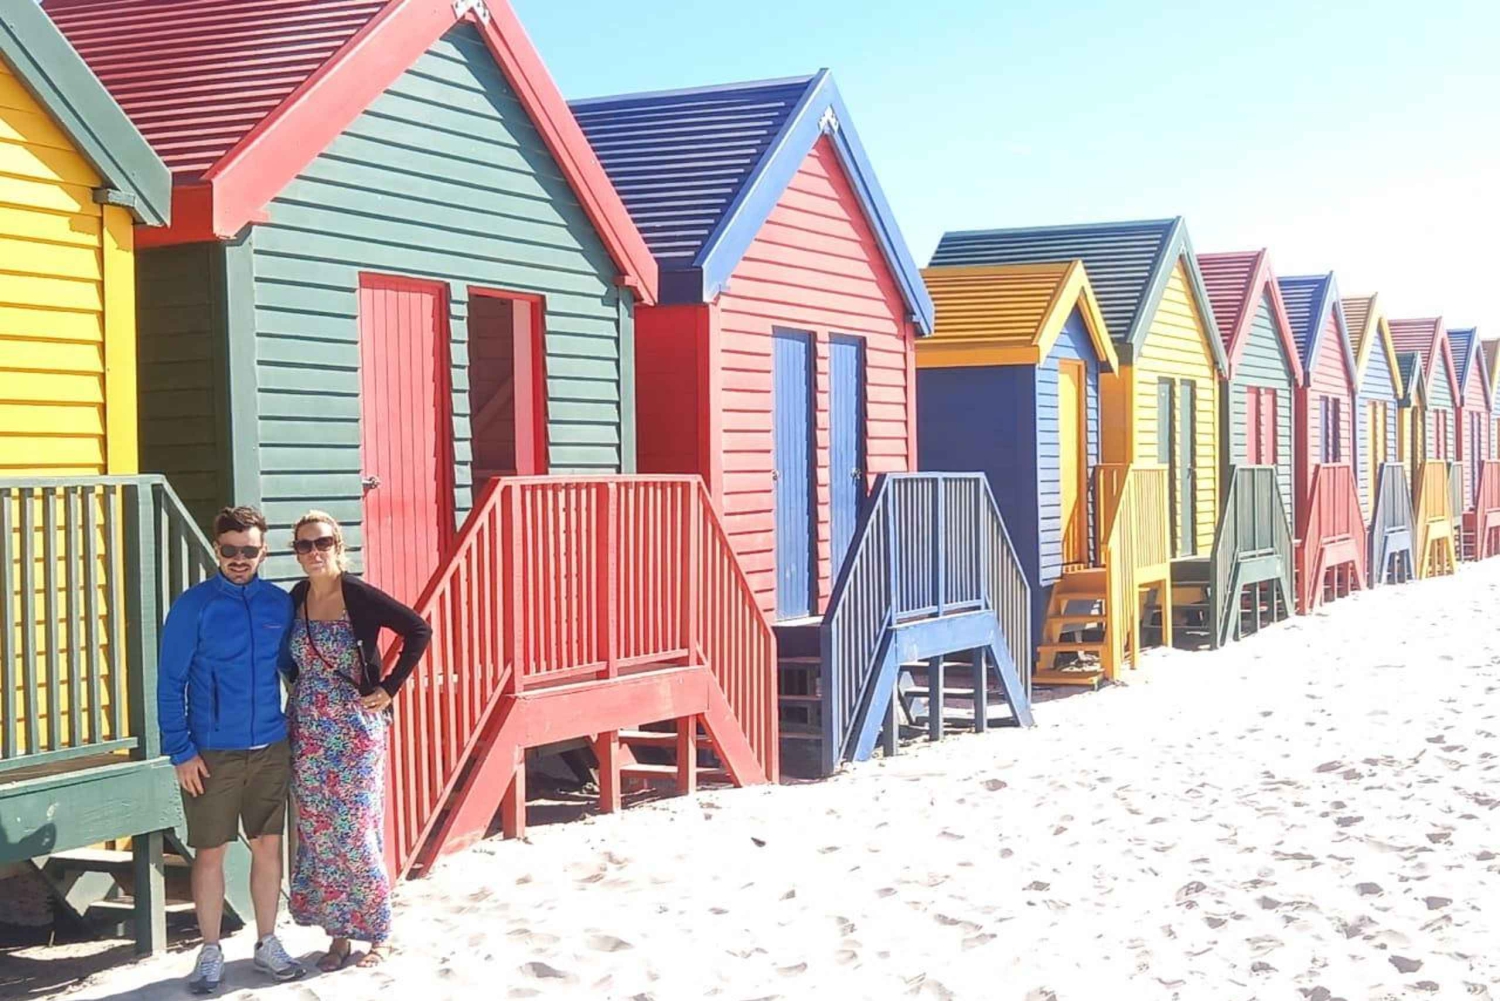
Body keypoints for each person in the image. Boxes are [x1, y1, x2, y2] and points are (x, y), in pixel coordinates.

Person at [158, 506, 305, 994]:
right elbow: (169, 682)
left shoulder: (278, 605)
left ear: (263, 552)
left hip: (270, 746)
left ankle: (267, 943)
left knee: (268, 846)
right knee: (210, 852)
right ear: (216, 549)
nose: (239, 559)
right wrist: (180, 751)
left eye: (249, 550)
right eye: (230, 550)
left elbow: (295, 669)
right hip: (211, 753)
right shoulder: (193, 606)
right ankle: (210, 950)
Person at [281, 511, 431, 971]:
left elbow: (418, 629)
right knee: (320, 834)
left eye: (321, 542)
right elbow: (288, 658)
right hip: (307, 730)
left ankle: (379, 932)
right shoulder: (297, 597)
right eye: (304, 545)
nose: (313, 552)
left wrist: (389, 687)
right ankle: (339, 935)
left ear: (337, 544)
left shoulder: (358, 594)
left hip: (355, 729)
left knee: (355, 831)